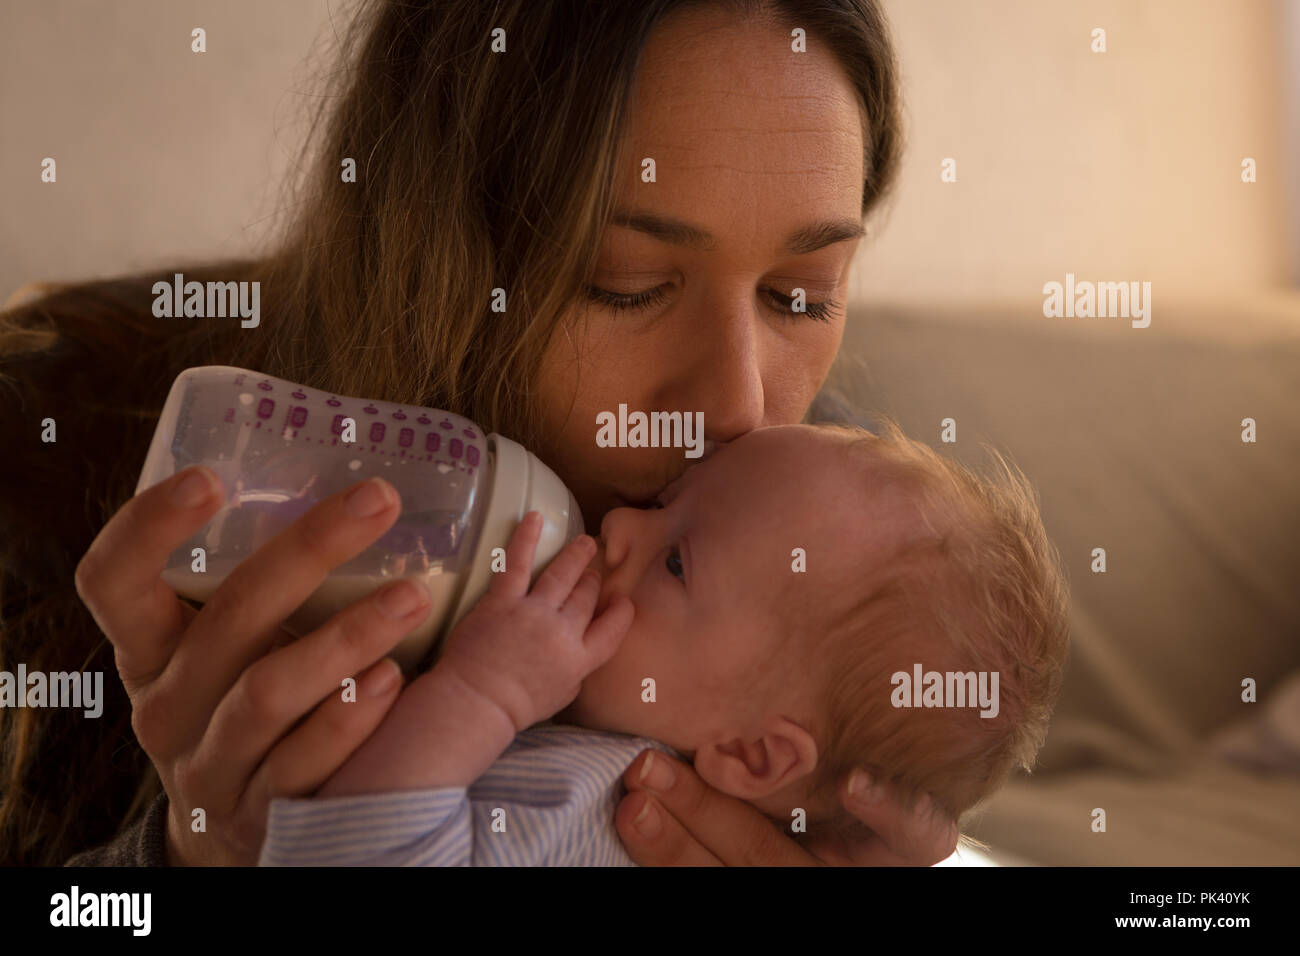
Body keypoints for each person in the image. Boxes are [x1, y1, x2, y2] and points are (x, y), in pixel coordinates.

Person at [0, 0, 959, 866]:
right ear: (433, 254)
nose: (738, 408)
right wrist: (180, 860)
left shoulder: (836, 521)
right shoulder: (56, 442)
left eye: (802, 296)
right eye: (625, 284)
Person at [255, 421, 1070, 865]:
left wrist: (483, 694)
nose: (617, 526)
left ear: (754, 755)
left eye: (676, 561)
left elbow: (358, 853)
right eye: (670, 498)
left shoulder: (599, 812)